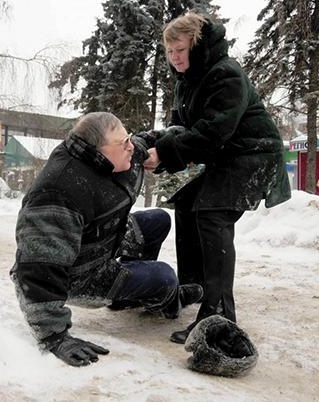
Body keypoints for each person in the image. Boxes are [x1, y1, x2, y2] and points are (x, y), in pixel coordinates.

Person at [10, 112, 203, 367]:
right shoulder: (57, 193)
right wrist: (53, 336)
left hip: (102, 238)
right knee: (165, 276)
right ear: (97, 152)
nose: (131, 147)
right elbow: (37, 270)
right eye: (123, 143)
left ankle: (130, 296)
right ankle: (169, 301)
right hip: (80, 274)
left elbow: (150, 139)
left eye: (128, 139)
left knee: (158, 220)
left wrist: (184, 138)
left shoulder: (124, 153)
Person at [143, 12, 291, 344]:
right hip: (225, 154)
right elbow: (181, 129)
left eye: (180, 50)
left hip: (253, 155)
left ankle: (218, 315)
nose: (175, 58)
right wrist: (150, 143)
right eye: (169, 52)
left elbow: (211, 132)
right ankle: (194, 288)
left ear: (196, 45)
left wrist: (166, 153)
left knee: (212, 214)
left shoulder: (226, 75)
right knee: (186, 203)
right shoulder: (187, 81)